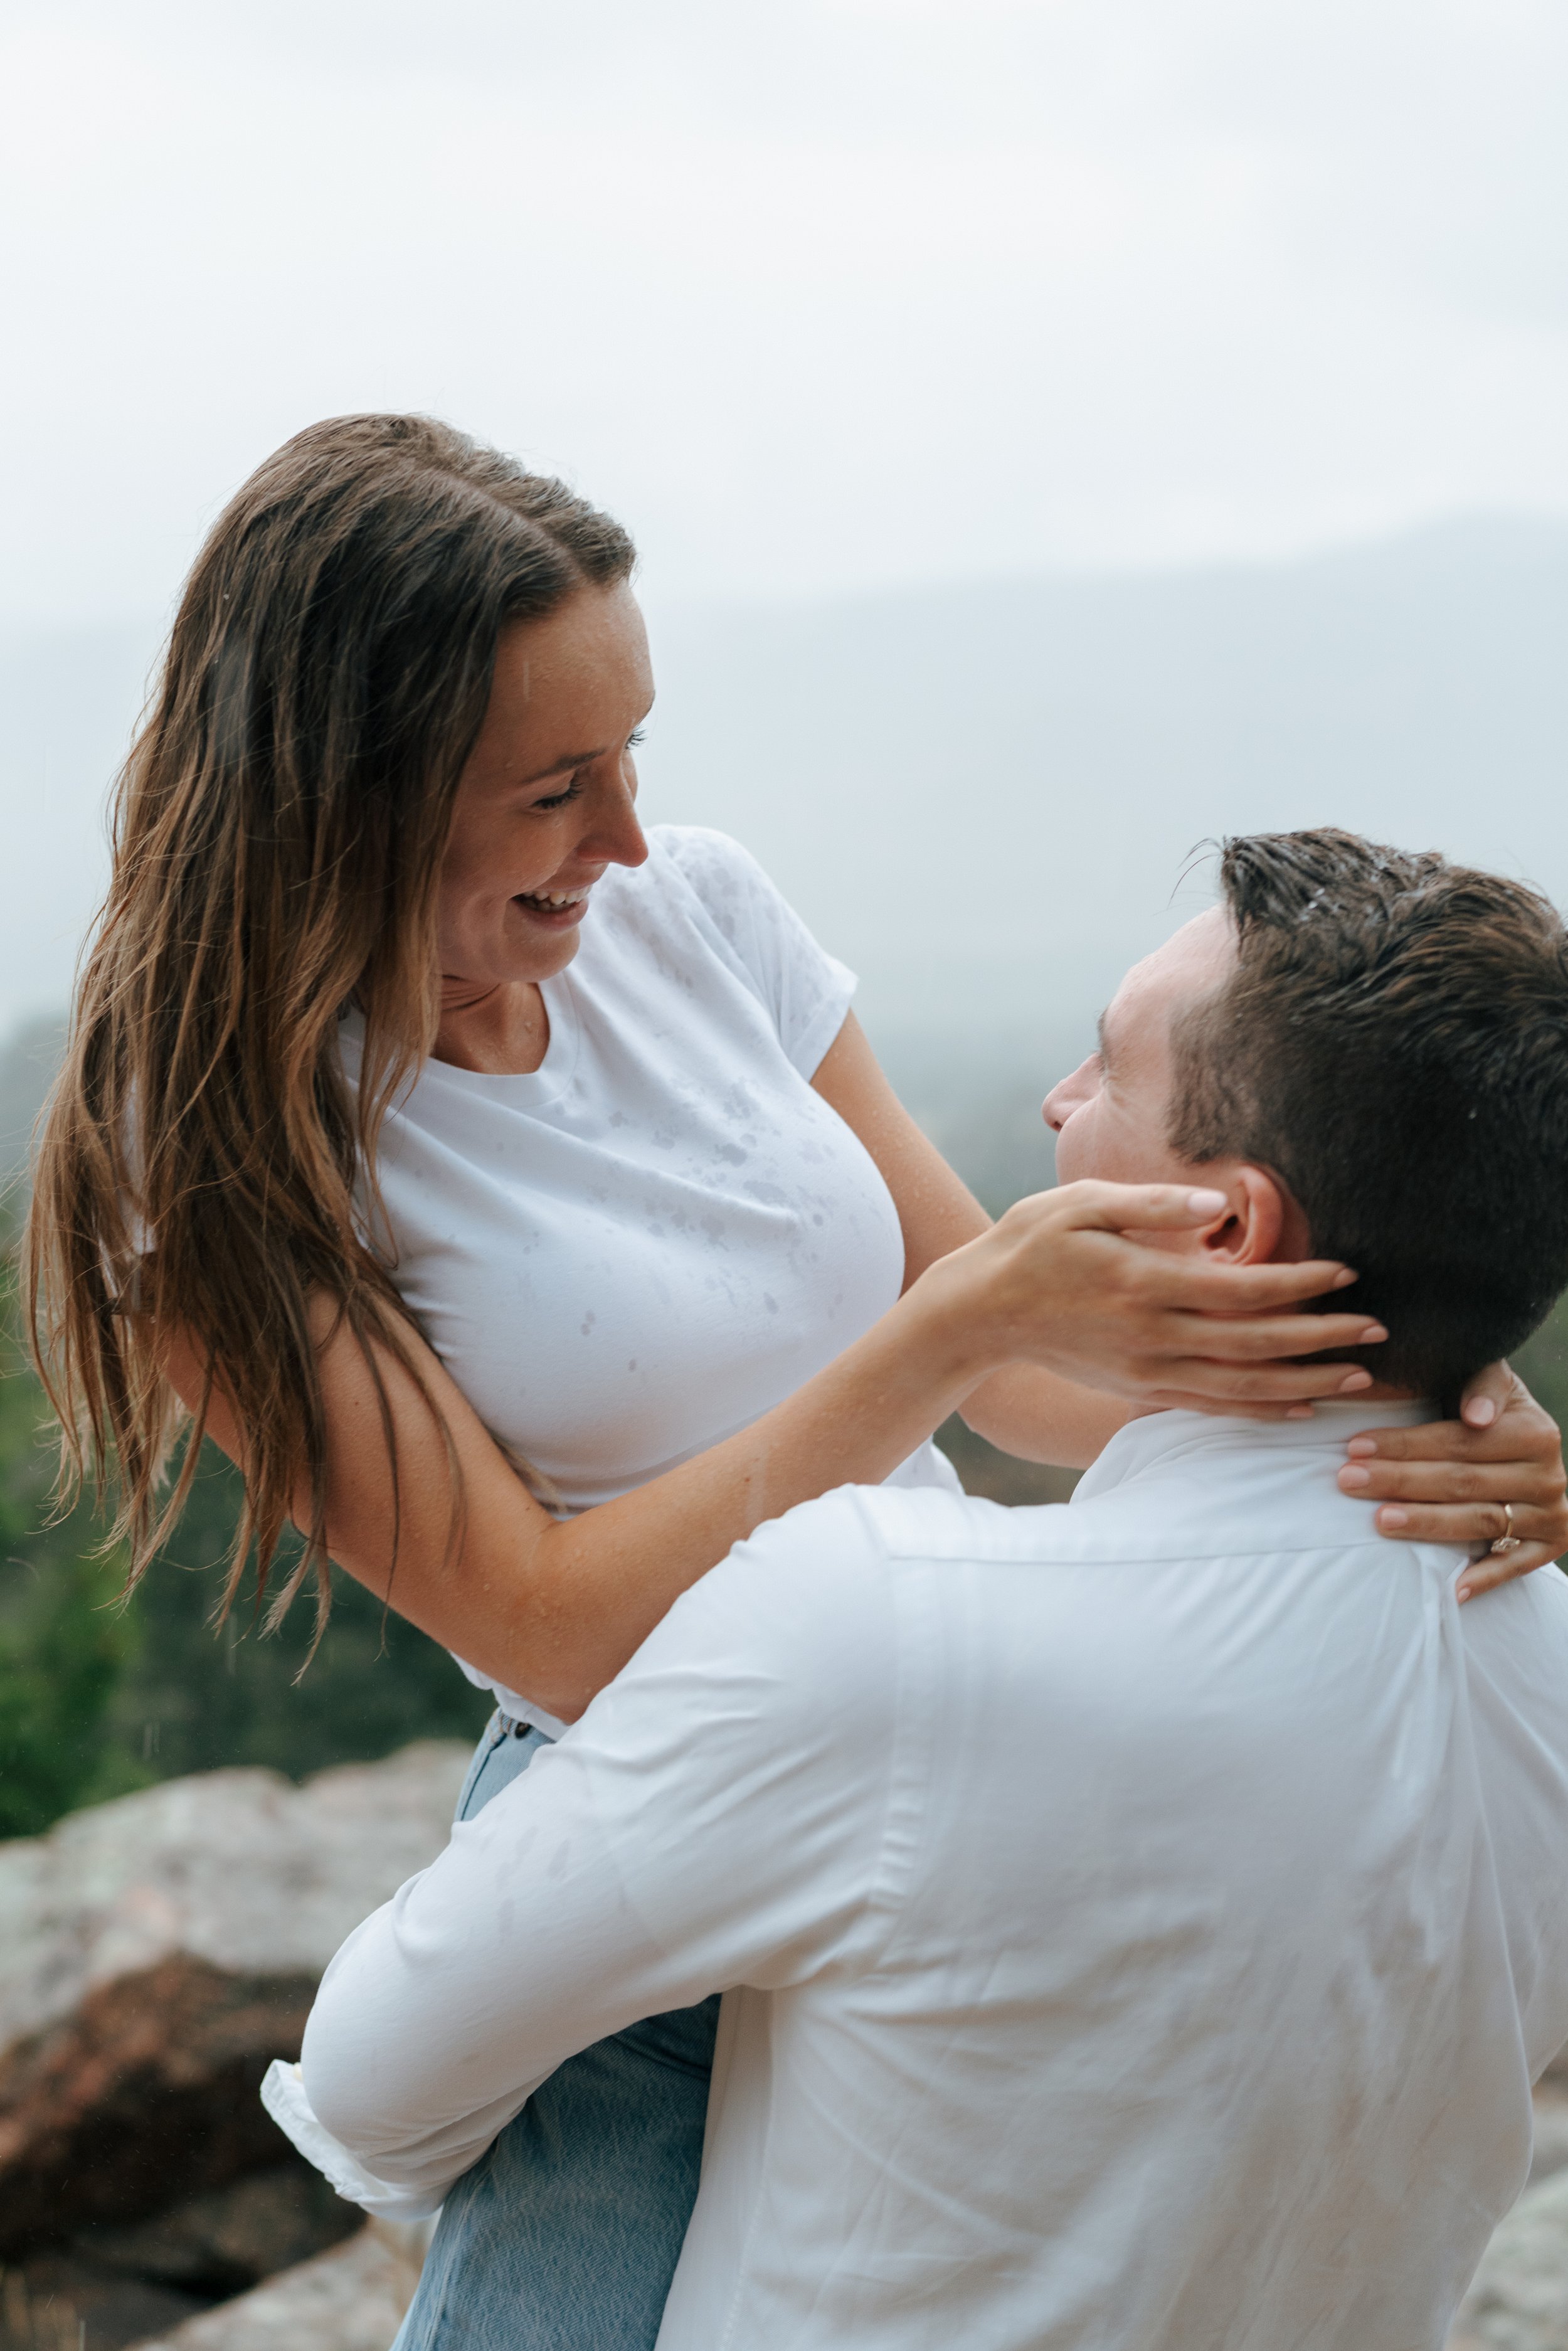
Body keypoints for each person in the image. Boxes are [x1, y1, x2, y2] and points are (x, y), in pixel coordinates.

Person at [28, 417, 1566, 2351]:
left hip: (956, 1737)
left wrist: (1410, 1404)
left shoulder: (700, 919)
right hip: (634, 1813)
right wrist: (938, 1333)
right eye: (555, 787)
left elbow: (1038, 1397)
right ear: (343, 795)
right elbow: (554, 1623)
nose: (628, 840)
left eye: (635, 753)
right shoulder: (215, 1155)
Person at [272, 829, 1568, 2350]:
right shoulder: (1537, 1660)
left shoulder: (872, 1627)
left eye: (1103, 1068)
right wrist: (1411, 1369)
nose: (1055, 1100)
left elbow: (368, 2093)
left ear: (1220, 1230)